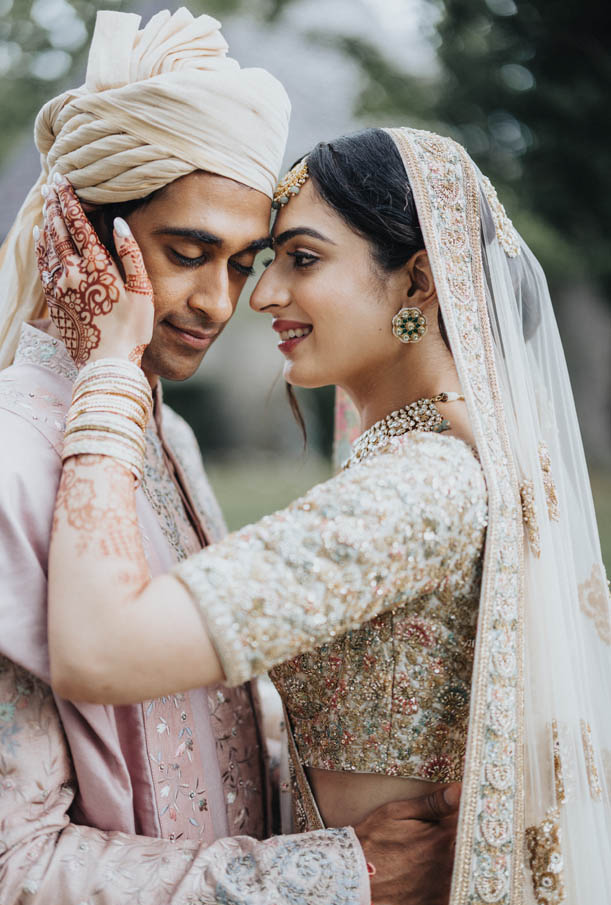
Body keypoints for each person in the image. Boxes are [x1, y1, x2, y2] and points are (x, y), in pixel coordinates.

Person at [0, 10, 460, 905]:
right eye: (189, 254)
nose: (222, 302)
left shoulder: (162, 434)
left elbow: (211, 740)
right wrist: (334, 878)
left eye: (244, 261)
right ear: (79, 236)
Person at [41, 125, 611, 904]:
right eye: (266, 262)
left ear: (417, 283)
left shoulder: (422, 487)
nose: (264, 293)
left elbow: (100, 651)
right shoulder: (434, 459)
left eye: (301, 259)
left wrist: (108, 375)